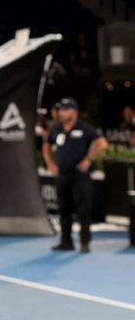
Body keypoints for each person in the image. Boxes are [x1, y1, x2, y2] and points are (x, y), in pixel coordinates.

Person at [42, 97, 108, 253]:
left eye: (65, 109)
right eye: (61, 110)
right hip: (62, 176)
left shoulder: (84, 129)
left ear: (74, 112)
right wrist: (50, 163)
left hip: (80, 177)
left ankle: (85, 242)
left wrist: (88, 159)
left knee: (83, 210)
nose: (62, 113)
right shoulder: (57, 129)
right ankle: (66, 242)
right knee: (64, 210)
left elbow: (102, 143)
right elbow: (46, 144)